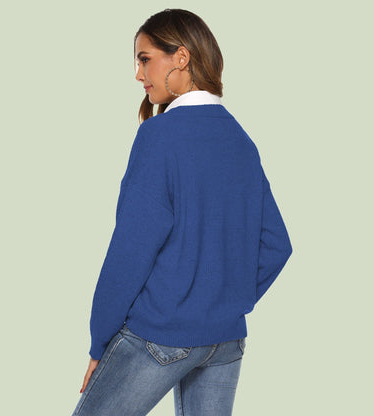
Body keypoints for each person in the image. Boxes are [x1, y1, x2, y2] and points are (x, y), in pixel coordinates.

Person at [71, 8, 292, 416]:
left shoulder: (159, 136)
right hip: (225, 341)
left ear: (181, 57)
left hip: (161, 335)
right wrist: (224, 301)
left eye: (145, 59)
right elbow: (276, 245)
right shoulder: (240, 140)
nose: (138, 74)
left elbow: (131, 250)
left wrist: (100, 340)